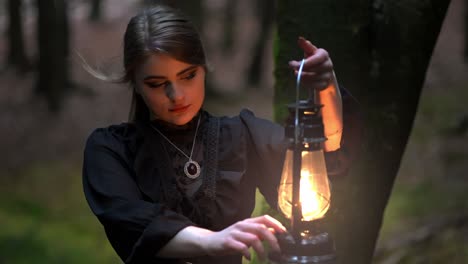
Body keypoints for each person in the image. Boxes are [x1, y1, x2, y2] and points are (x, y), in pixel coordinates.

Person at [82, 4, 358, 264]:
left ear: (204, 69)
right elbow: (131, 222)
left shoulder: (241, 135)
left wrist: (326, 85)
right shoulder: (110, 150)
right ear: (135, 83)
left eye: (188, 76)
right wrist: (214, 240)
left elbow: (323, 153)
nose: (176, 95)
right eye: (157, 84)